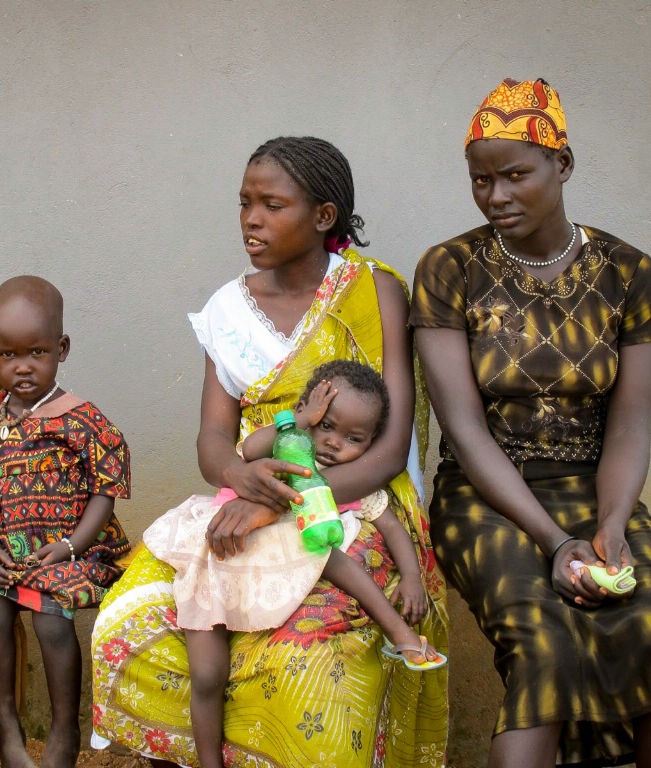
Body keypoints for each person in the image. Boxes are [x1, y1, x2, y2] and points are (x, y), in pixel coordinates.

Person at [91, 136, 449, 768]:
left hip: (353, 496)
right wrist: (242, 480)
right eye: (244, 203)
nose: (251, 220)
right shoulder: (228, 310)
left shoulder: (374, 294)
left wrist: (284, 504)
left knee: (307, 659)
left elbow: (390, 448)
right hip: (249, 489)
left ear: (323, 216)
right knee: (132, 619)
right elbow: (213, 440)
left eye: (272, 205)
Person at [411, 78, 651, 768]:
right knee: (545, 642)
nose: (497, 196)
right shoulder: (449, 269)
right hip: (485, 496)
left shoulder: (629, 273)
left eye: (515, 174)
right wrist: (552, 541)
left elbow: (630, 426)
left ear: (561, 165)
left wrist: (609, 526)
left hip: (597, 487)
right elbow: (464, 427)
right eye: (481, 180)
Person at [144, 359, 444, 768]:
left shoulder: (346, 485)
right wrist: (298, 422)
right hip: (224, 557)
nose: (335, 443)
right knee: (207, 674)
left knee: (325, 553)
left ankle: (400, 632)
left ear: (371, 444)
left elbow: (390, 526)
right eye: (326, 426)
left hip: (282, 568)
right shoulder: (282, 452)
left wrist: (411, 576)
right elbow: (247, 450)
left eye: (354, 437)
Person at [0, 275, 132, 768]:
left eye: (36, 353)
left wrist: (72, 546)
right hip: (3, 553)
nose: (22, 367)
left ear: (61, 349)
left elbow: (106, 493)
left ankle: (63, 730)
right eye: (9, 354)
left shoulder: (82, 420)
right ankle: (7, 729)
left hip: (68, 549)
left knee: (51, 618)